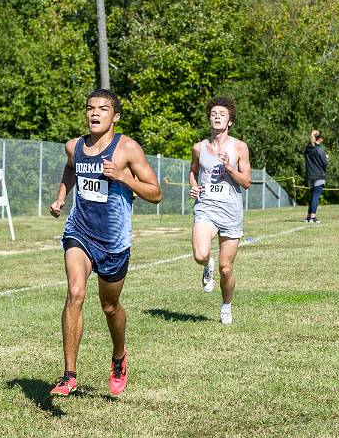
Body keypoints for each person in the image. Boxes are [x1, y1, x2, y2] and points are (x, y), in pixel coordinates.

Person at [48, 89, 162, 397]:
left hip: (114, 241)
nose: (94, 113)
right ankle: (69, 375)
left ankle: (119, 356)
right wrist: (62, 197)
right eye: (89, 108)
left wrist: (123, 178)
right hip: (80, 231)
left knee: (110, 306)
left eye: (102, 109)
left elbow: (155, 192)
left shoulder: (127, 149)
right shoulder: (74, 147)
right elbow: (71, 168)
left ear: (115, 116)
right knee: (75, 292)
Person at [188, 96, 252, 325]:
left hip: (231, 212)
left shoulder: (239, 147)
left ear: (230, 121)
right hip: (206, 208)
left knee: (226, 269)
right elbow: (193, 172)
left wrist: (230, 168)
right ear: (209, 118)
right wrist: (194, 187)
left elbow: (246, 182)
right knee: (200, 254)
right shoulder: (199, 147)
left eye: (222, 114)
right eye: (214, 113)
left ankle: (226, 305)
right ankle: (207, 266)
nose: (217, 117)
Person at [304, 130, 328, 223]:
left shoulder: (307, 148)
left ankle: (309, 216)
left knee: (312, 196)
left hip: (310, 175)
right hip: (318, 175)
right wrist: (327, 158)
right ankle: (312, 217)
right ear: (320, 139)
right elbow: (324, 162)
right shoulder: (320, 149)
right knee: (316, 196)